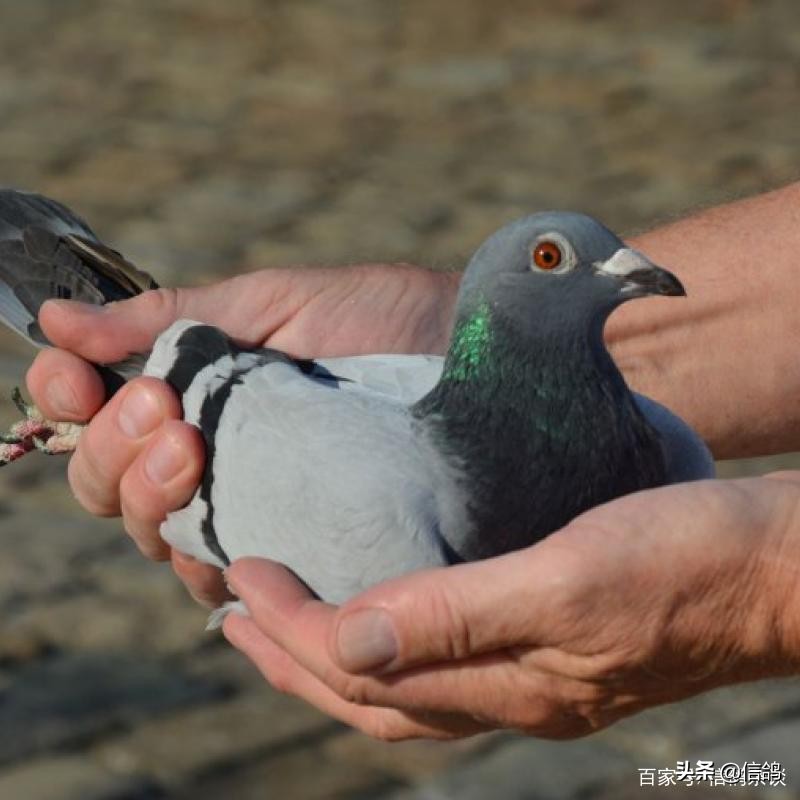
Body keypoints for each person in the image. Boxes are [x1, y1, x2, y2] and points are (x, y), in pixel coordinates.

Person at [24, 182, 800, 741]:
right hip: (227, 413)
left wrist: (765, 589)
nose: (632, 266)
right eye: (554, 257)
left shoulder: (662, 449)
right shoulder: (398, 517)